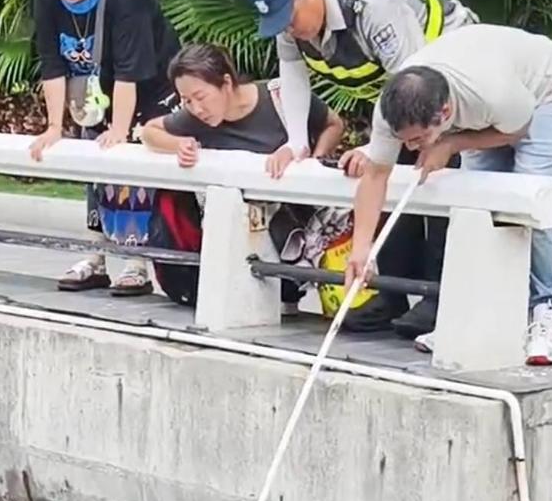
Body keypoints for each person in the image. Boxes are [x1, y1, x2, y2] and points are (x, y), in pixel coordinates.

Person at [244, 0, 475, 340]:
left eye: (289, 18)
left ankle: (438, 294)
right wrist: (296, 141)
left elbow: (413, 83)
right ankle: (392, 292)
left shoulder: (374, 2)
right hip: (402, 95)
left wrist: (374, 148)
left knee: (434, 175)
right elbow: (292, 69)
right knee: (387, 181)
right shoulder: (290, 19)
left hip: (447, 84)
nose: (287, 29)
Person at [342, 23, 552, 365]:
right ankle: (474, 318)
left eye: (417, 139)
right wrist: (361, 249)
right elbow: (375, 175)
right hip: (482, 101)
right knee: (474, 202)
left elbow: (515, 132)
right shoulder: (390, 108)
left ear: (444, 115)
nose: (410, 148)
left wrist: (451, 144)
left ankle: (546, 311)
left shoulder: (491, 93)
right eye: (404, 140)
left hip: (545, 93)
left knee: (532, 194)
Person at [143, 40, 380, 316]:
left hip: (304, 223)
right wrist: (179, 145)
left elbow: (333, 124)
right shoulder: (195, 119)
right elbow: (150, 131)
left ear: (226, 83)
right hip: (246, 234)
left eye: (200, 97)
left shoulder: (280, 97)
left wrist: (311, 161)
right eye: (186, 101)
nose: (195, 108)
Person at [29, 0, 177, 294]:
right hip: (97, 91)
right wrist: (54, 126)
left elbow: (129, 70)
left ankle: (136, 262)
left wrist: (120, 130)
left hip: (149, 88)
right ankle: (95, 256)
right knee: (95, 170)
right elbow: (52, 64)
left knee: (130, 169)